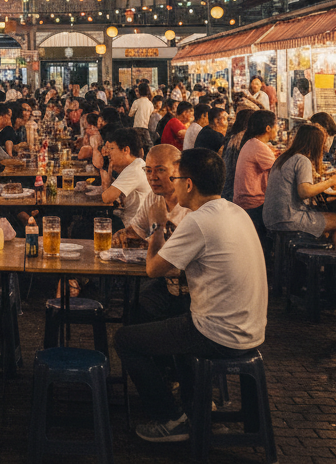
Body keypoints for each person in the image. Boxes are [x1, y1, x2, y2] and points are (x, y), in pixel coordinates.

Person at [114, 148, 267, 443]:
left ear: (189, 184)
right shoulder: (234, 211)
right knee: (166, 316)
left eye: (176, 176)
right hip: (252, 329)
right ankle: (193, 405)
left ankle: (172, 420)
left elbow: (153, 270)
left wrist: (158, 225)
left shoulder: (199, 220)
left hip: (217, 333)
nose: (170, 180)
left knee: (125, 340)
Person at [262, 124, 336, 249]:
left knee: (324, 220)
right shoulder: (302, 160)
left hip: (272, 217)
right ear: (315, 144)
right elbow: (305, 191)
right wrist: (331, 181)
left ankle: (319, 257)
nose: (323, 147)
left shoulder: (284, 157)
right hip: (288, 219)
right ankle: (333, 264)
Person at [133, 144, 194, 321]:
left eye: (160, 170)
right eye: (148, 170)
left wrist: (156, 228)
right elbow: (133, 232)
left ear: (178, 169)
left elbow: (155, 269)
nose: (152, 177)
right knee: (137, 305)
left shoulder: (192, 206)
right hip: (165, 281)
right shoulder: (155, 196)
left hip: (191, 291)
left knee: (142, 308)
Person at [98, 129, 157, 234]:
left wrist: (107, 181)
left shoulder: (134, 170)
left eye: (112, 148)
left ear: (126, 150)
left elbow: (107, 198)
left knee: (85, 224)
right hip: (132, 222)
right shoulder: (136, 165)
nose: (108, 153)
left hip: (132, 227)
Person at [233, 110, 278, 232]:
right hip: (253, 205)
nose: (278, 128)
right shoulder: (259, 147)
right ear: (268, 128)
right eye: (276, 125)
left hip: (244, 202)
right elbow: (282, 171)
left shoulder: (251, 143)